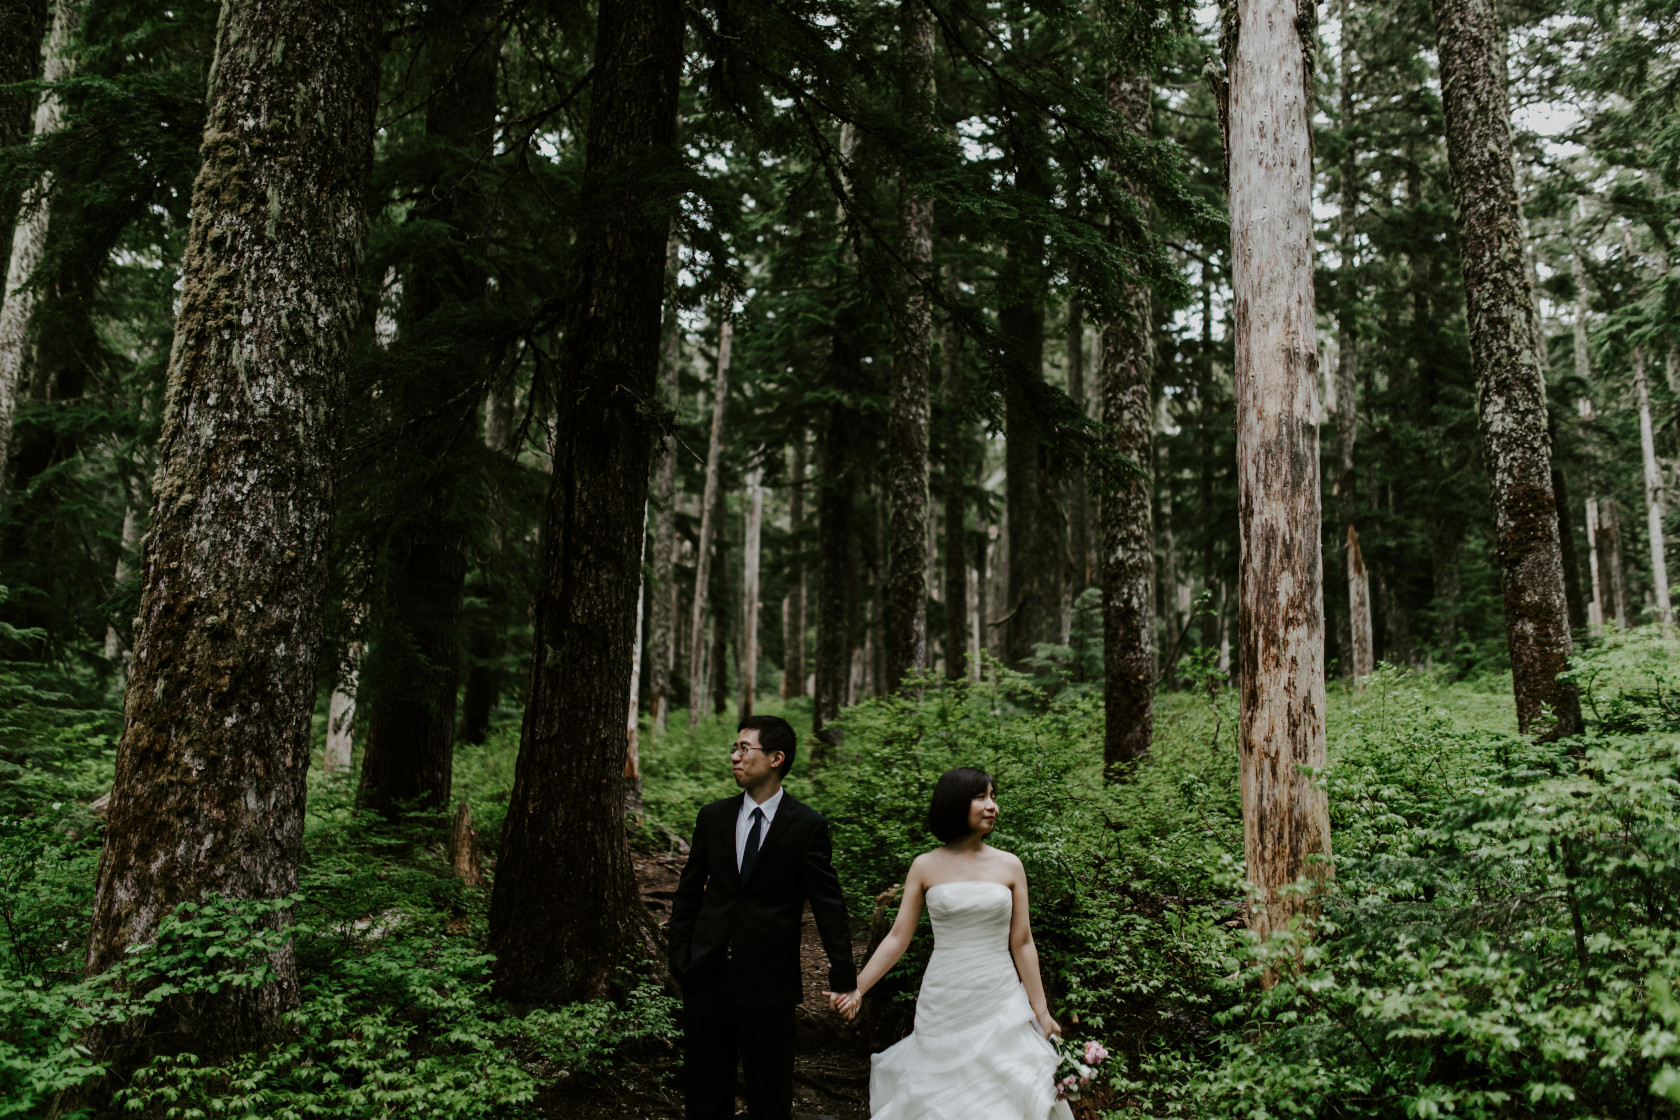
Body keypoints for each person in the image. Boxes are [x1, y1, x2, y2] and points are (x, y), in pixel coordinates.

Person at [827, 767, 1074, 1120]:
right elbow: (898, 937)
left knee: (1007, 1087)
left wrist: (1041, 1012)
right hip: (945, 996)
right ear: (956, 802)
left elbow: (1022, 943)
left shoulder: (1010, 865)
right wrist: (858, 988)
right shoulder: (925, 865)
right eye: (981, 797)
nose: (992, 806)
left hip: (999, 995)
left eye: (993, 796)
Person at [666, 714, 857, 1120]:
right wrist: (680, 958)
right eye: (734, 748)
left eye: (743, 749)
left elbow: (828, 905)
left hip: (769, 986)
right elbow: (688, 893)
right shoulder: (713, 817)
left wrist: (844, 975)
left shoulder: (807, 825)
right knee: (703, 1092)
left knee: (769, 1095)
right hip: (707, 976)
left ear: (776, 758)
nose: (734, 756)